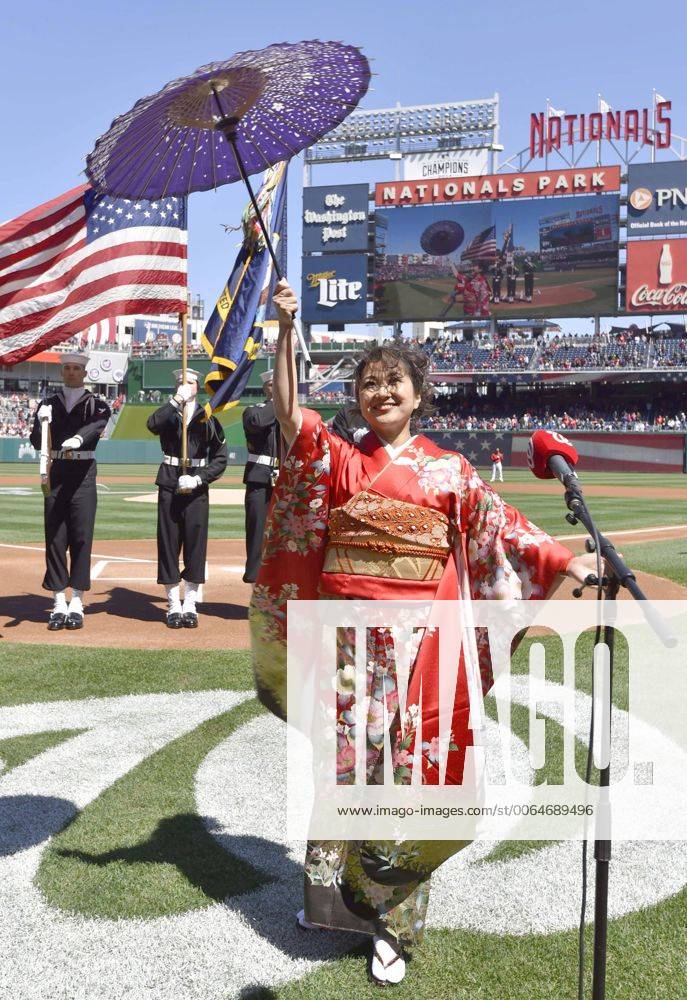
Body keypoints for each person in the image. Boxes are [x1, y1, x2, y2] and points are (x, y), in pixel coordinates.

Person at [249, 279, 598, 986]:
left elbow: (502, 533)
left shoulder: (451, 470)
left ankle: (391, 924)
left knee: (409, 779)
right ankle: (331, 905)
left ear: (417, 394)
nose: (380, 393)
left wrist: (566, 558)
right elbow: (288, 413)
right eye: (369, 384)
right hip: (346, 640)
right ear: (358, 397)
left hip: (419, 644)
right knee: (343, 770)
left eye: (393, 382)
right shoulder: (336, 458)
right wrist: (285, 329)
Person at [29, 352, 111, 630]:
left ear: (84, 373)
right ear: (62, 372)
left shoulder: (96, 404)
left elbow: (97, 426)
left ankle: (76, 601)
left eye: (77, 368)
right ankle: (57, 602)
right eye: (68, 368)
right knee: (55, 538)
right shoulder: (48, 404)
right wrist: (41, 423)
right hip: (57, 473)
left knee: (80, 536)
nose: (72, 372)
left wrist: (78, 438)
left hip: (83, 473)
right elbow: (36, 441)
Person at [146, 369, 227, 628]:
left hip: (196, 485)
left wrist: (199, 478)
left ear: (198, 387)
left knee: (195, 543)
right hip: (169, 480)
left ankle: (190, 602)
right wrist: (174, 402)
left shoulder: (208, 419)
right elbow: (152, 425)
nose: (186, 386)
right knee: (169, 543)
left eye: (190, 382)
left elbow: (220, 458)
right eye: (181, 382)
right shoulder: (169, 414)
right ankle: (173, 603)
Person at [242, 371, 280, 583]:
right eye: (274, 384)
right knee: (257, 532)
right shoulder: (254, 411)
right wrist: (279, 402)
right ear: (266, 388)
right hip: (260, 478)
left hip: (288, 479)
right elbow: (256, 422)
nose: (278, 387)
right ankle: (255, 580)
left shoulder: (296, 413)